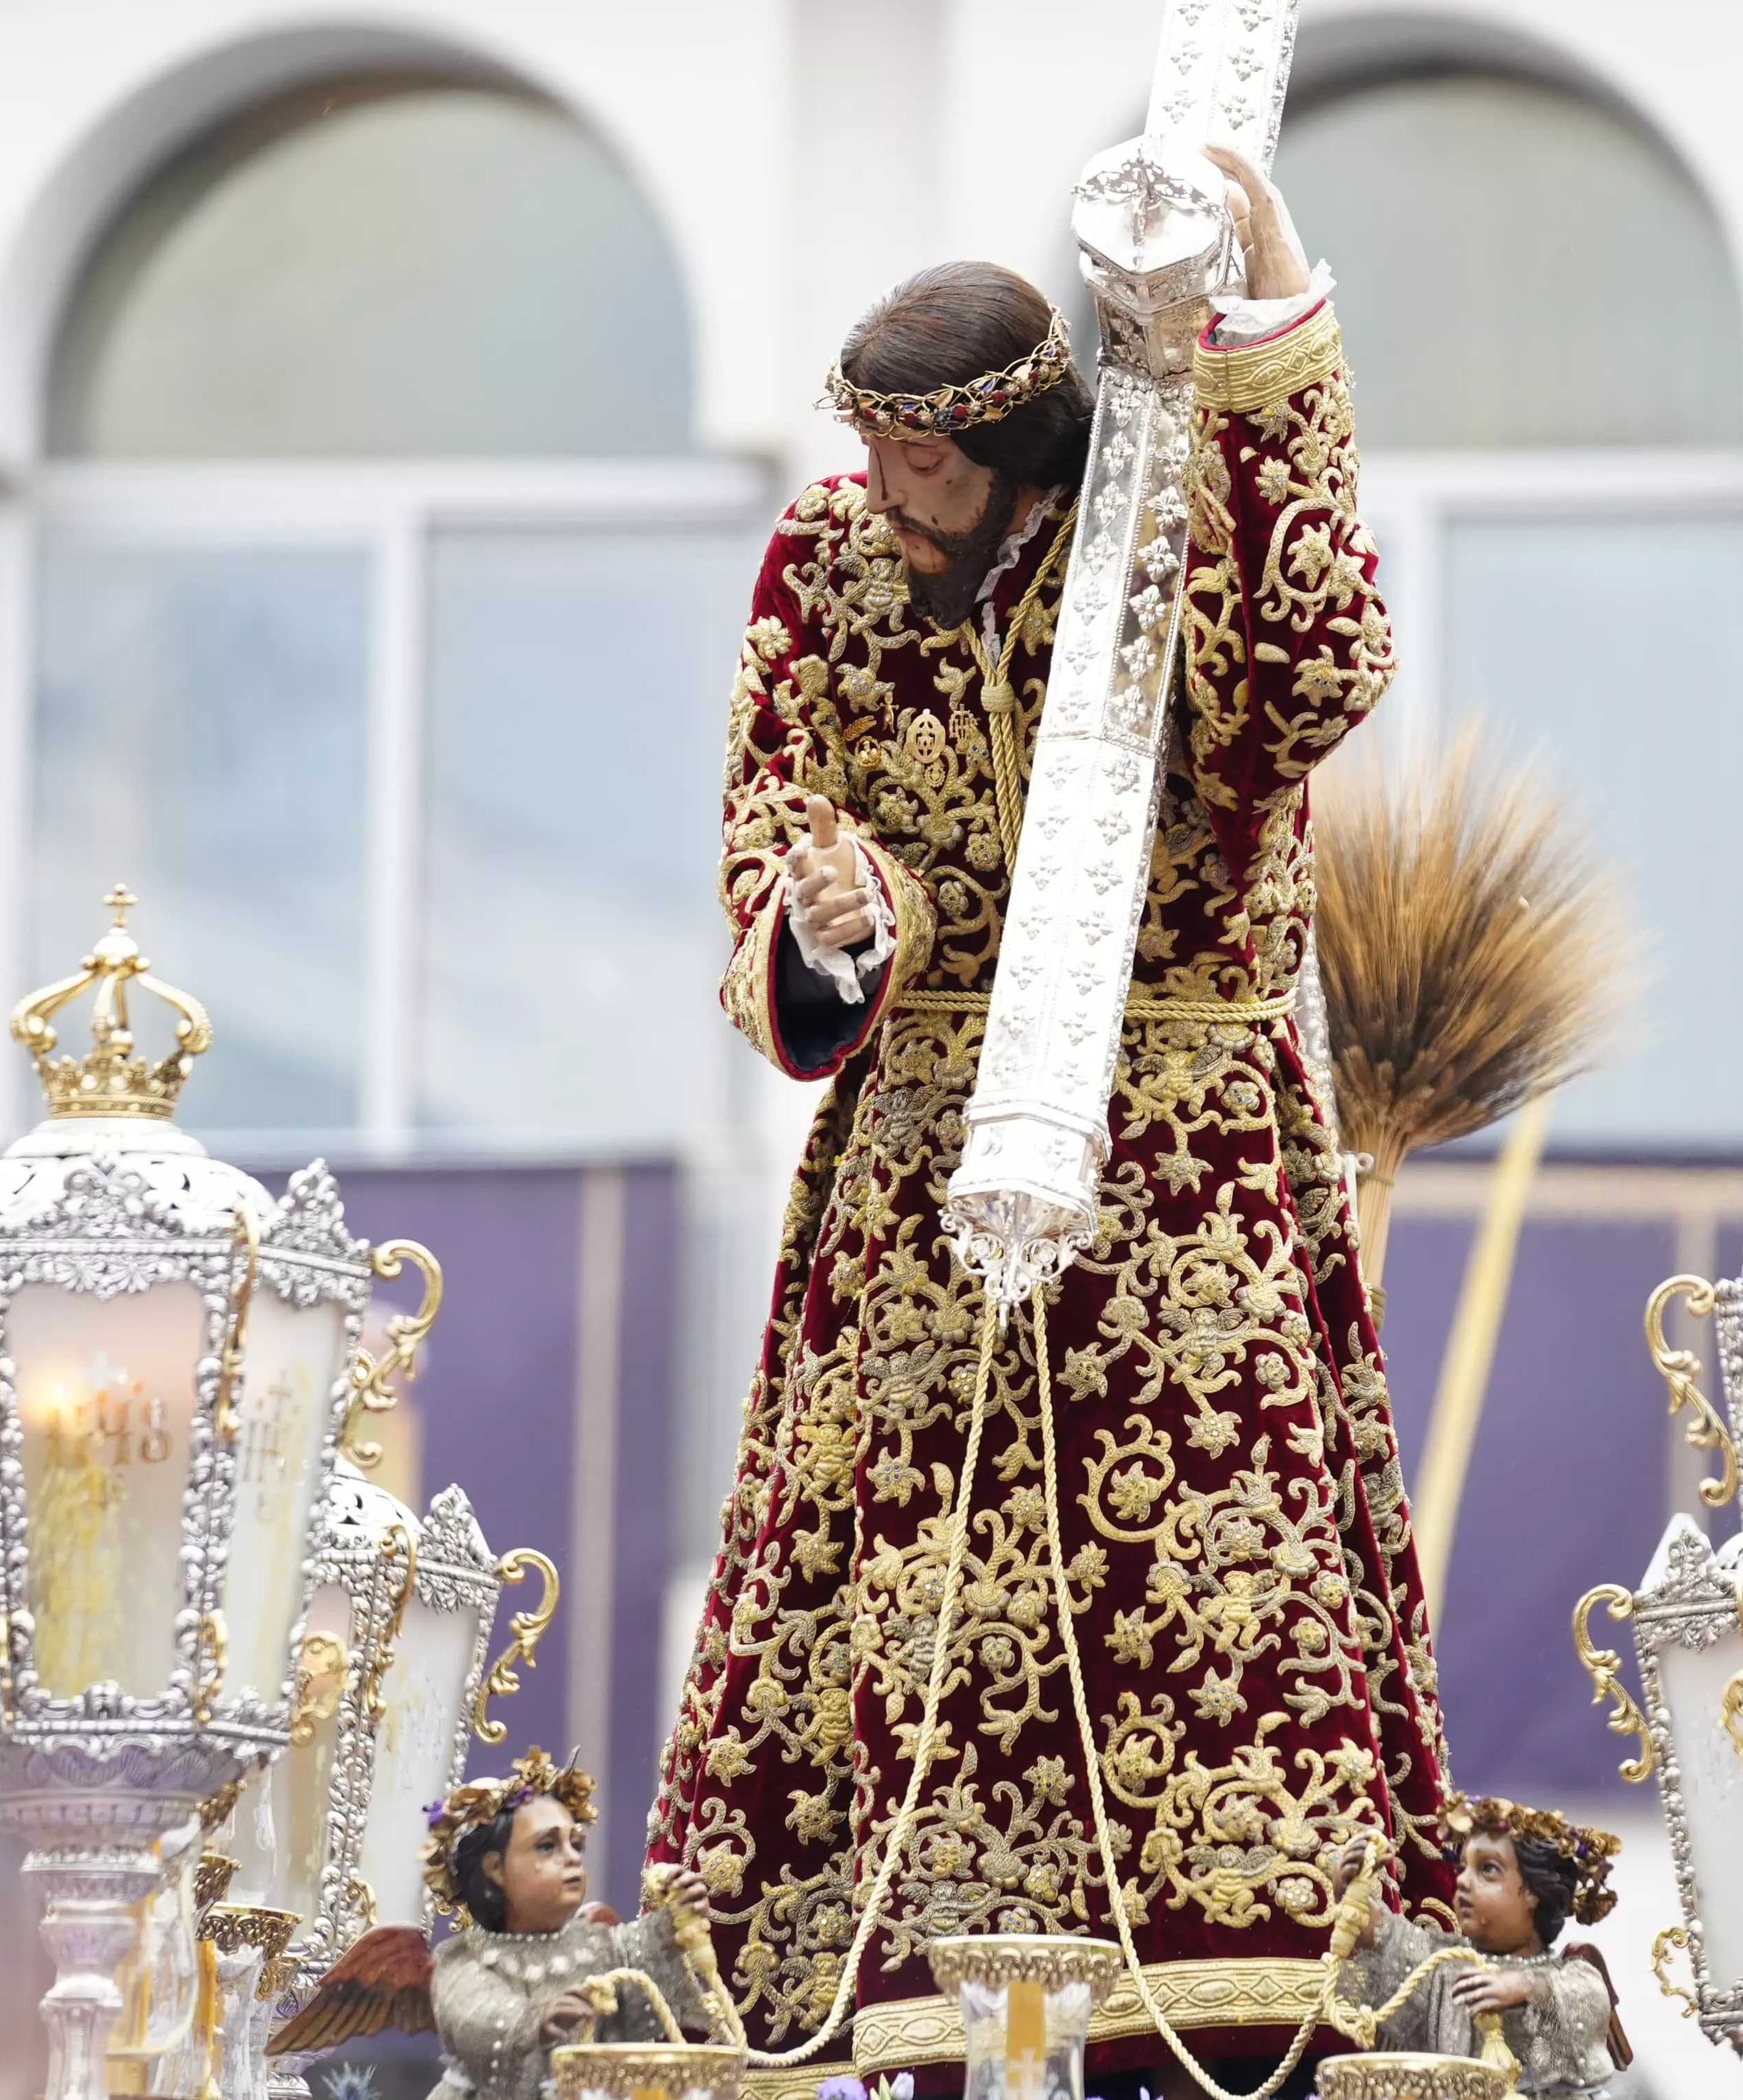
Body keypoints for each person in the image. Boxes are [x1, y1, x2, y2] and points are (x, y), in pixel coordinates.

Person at [651, 146, 1458, 2091]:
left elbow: (1315, 673)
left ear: (1016, 441)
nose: (890, 495)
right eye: (870, 451)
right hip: (923, 1164)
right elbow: (778, 826)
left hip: (1181, 1151)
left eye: (922, 461)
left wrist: (1270, 325)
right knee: (897, 1596)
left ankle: (1238, 1963)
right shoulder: (823, 563)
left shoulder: (1163, 538)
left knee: (1214, 1600)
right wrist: (837, 917)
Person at [279, 1751, 717, 2100]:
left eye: (575, 1845)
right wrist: (536, 2022)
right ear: (493, 1868)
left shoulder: (598, 1942)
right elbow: (477, 2020)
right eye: (547, 1846)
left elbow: (646, 1991)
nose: (570, 1858)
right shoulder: (463, 1961)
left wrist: (674, 1922)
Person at [1337, 1799, 1633, 2100]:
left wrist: (1528, 1987)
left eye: (1488, 1870)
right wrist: (1355, 1890)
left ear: (1535, 1892)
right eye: (1463, 1868)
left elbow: (1587, 1994)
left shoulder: (1568, 1974)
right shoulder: (1443, 1964)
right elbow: (1385, 1938)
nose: (1463, 1882)